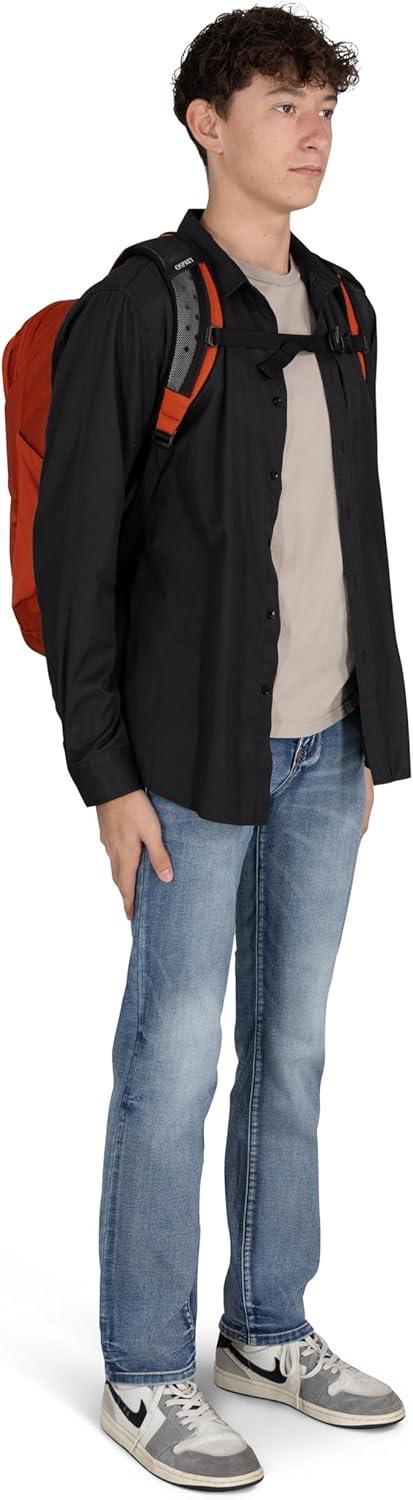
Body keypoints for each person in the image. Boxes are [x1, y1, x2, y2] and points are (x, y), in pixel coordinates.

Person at [32, 5, 410, 1487]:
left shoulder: (347, 305)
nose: (313, 133)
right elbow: (75, 557)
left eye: (326, 108)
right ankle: (143, 1369)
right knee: (171, 1060)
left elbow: (351, 537)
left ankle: (266, 1327)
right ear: (206, 122)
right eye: (282, 104)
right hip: (185, 763)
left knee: (295, 1053)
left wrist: (368, 731)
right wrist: (107, 775)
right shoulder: (146, 304)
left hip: (324, 752)